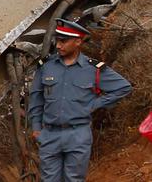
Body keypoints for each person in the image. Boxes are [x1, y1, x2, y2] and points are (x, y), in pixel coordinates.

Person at [28, 18, 132, 182]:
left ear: (78, 41)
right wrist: (36, 127)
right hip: (49, 134)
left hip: (78, 134)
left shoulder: (93, 69)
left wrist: (94, 104)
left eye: (63, 41)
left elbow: (123, 87)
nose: (58, 46)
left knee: (74, 179)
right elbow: (36, 97)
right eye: (57, 40)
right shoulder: (46, 66)